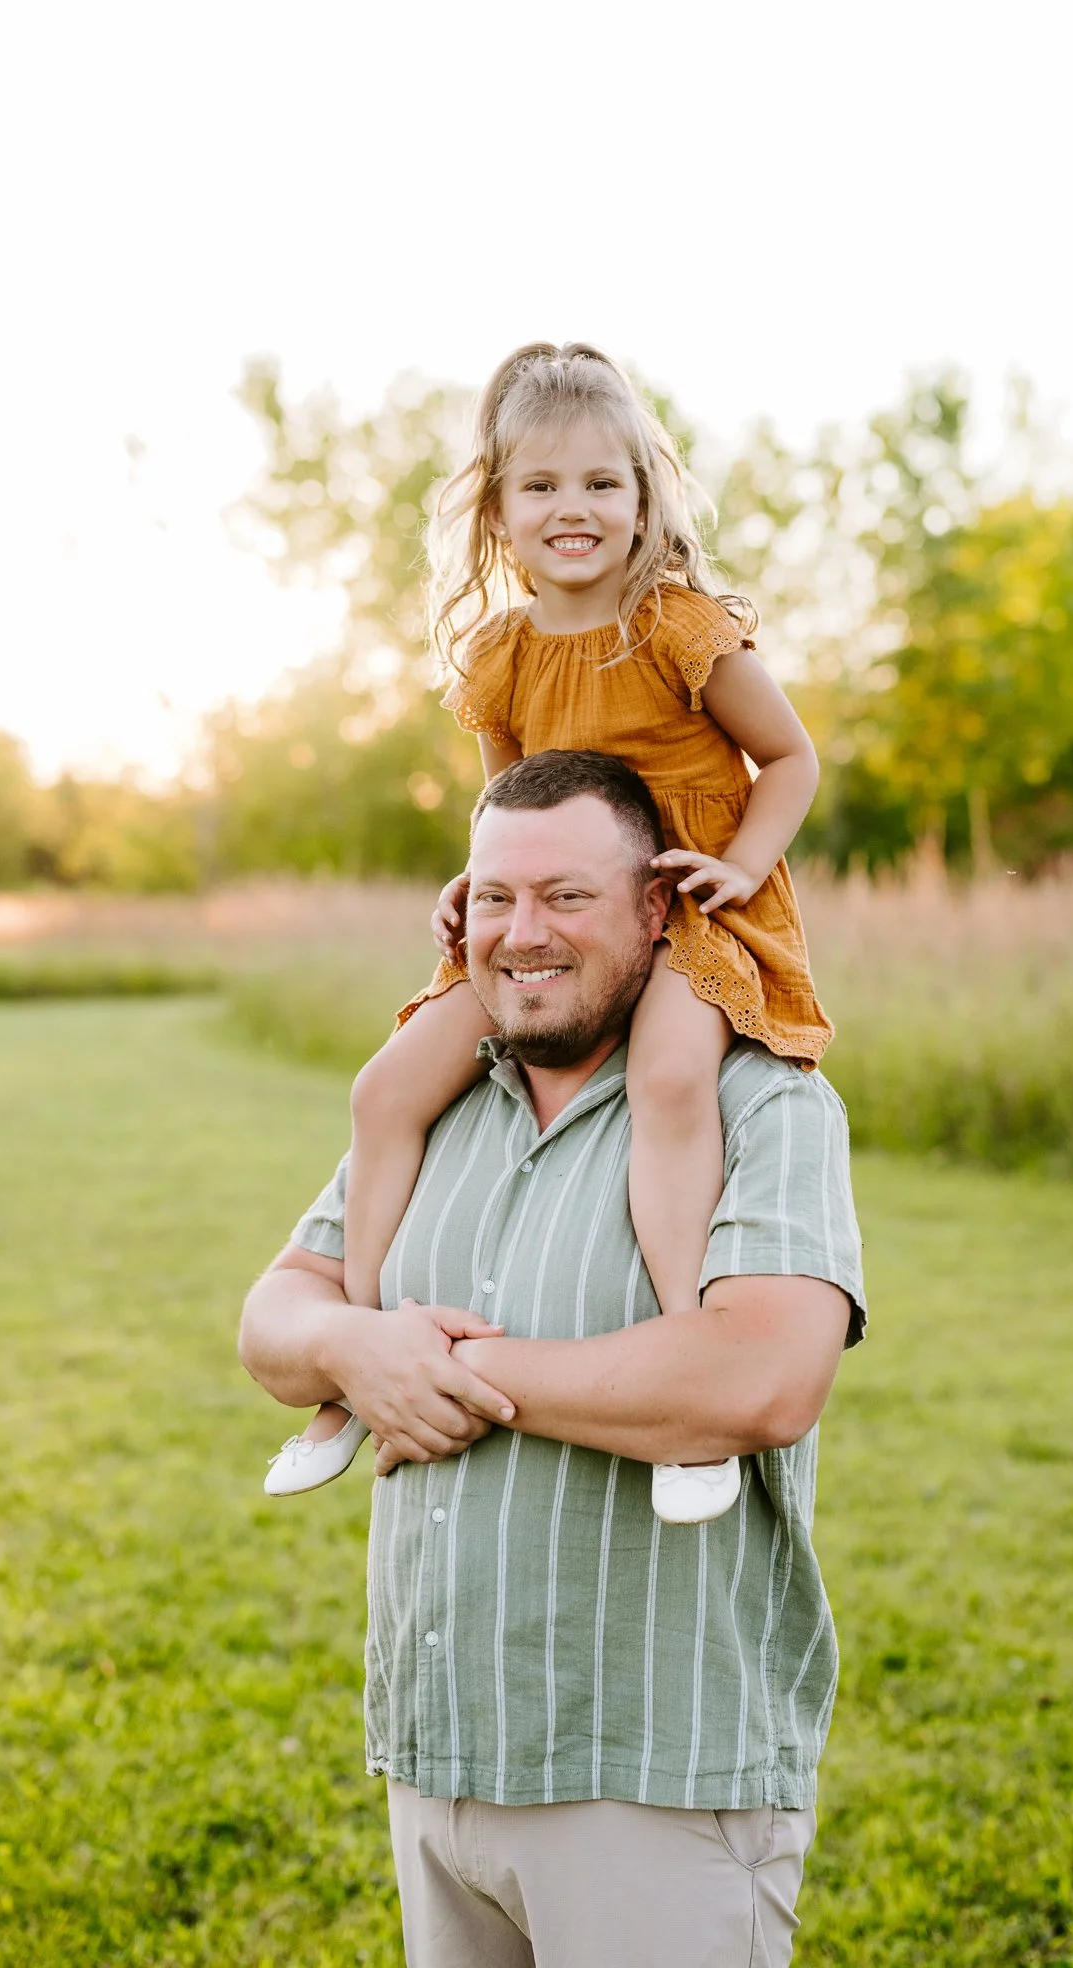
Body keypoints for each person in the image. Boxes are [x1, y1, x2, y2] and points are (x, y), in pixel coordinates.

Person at [239, 750, 865, 1968]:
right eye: (494, 896)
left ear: (656, 910)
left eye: (568, 896)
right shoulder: (438, 1108)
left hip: (649, 1779)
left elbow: (762, 1377)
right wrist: (354, 1344)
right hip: (440, 1758)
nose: (522, 933)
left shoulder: (764, 1103)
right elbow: (277, 1315)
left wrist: (450, 1375)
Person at [265, 341, 832, 1525]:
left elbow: (791, 757)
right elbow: (503, 813)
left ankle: (689, 1387)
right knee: (384, 1088)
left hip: (686, 910)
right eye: (541, 487)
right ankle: (363, 1362)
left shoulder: (678, 627)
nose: (572, 509)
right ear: (498, 512)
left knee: (674, 1075)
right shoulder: (501, 653)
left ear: (644, 499)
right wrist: (471, 891)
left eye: (601, 485)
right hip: (545, 925)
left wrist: (737, 865)